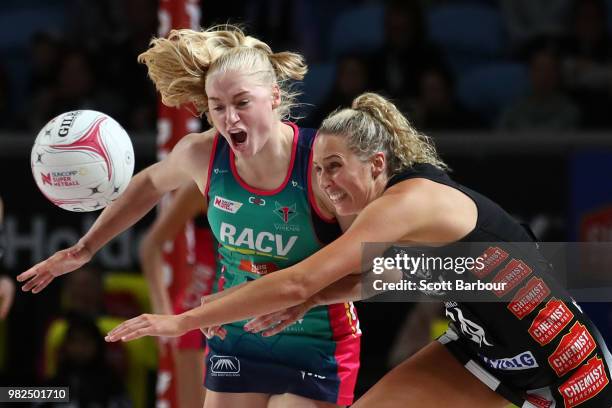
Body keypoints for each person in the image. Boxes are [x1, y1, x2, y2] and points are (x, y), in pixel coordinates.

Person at [105, 92, 612, 407]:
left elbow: (301, 277)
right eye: (318, 169)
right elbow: (385, 278)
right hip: (480, 355)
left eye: (335, 166)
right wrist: (310, 302)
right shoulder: (401, 208)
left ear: (375, 163)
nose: (324, 182)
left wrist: (182, 321)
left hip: (566, 371)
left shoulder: (406, 203)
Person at [19, 25, 361, 408]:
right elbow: (149, 184)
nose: (229, 119)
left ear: (275, 97)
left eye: (242, 103)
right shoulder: (203, 154)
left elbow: (378, 273)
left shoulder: (323, 163)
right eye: (217, 106)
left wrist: (304, 298)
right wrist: (86, 248)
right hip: (237, 332)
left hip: (316, 340)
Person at [140, 181, 216, 408]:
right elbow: (151, 245)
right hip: (199, 313)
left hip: (250, 303)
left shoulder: (278, 175)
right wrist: (161, 309)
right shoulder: (201, 185)